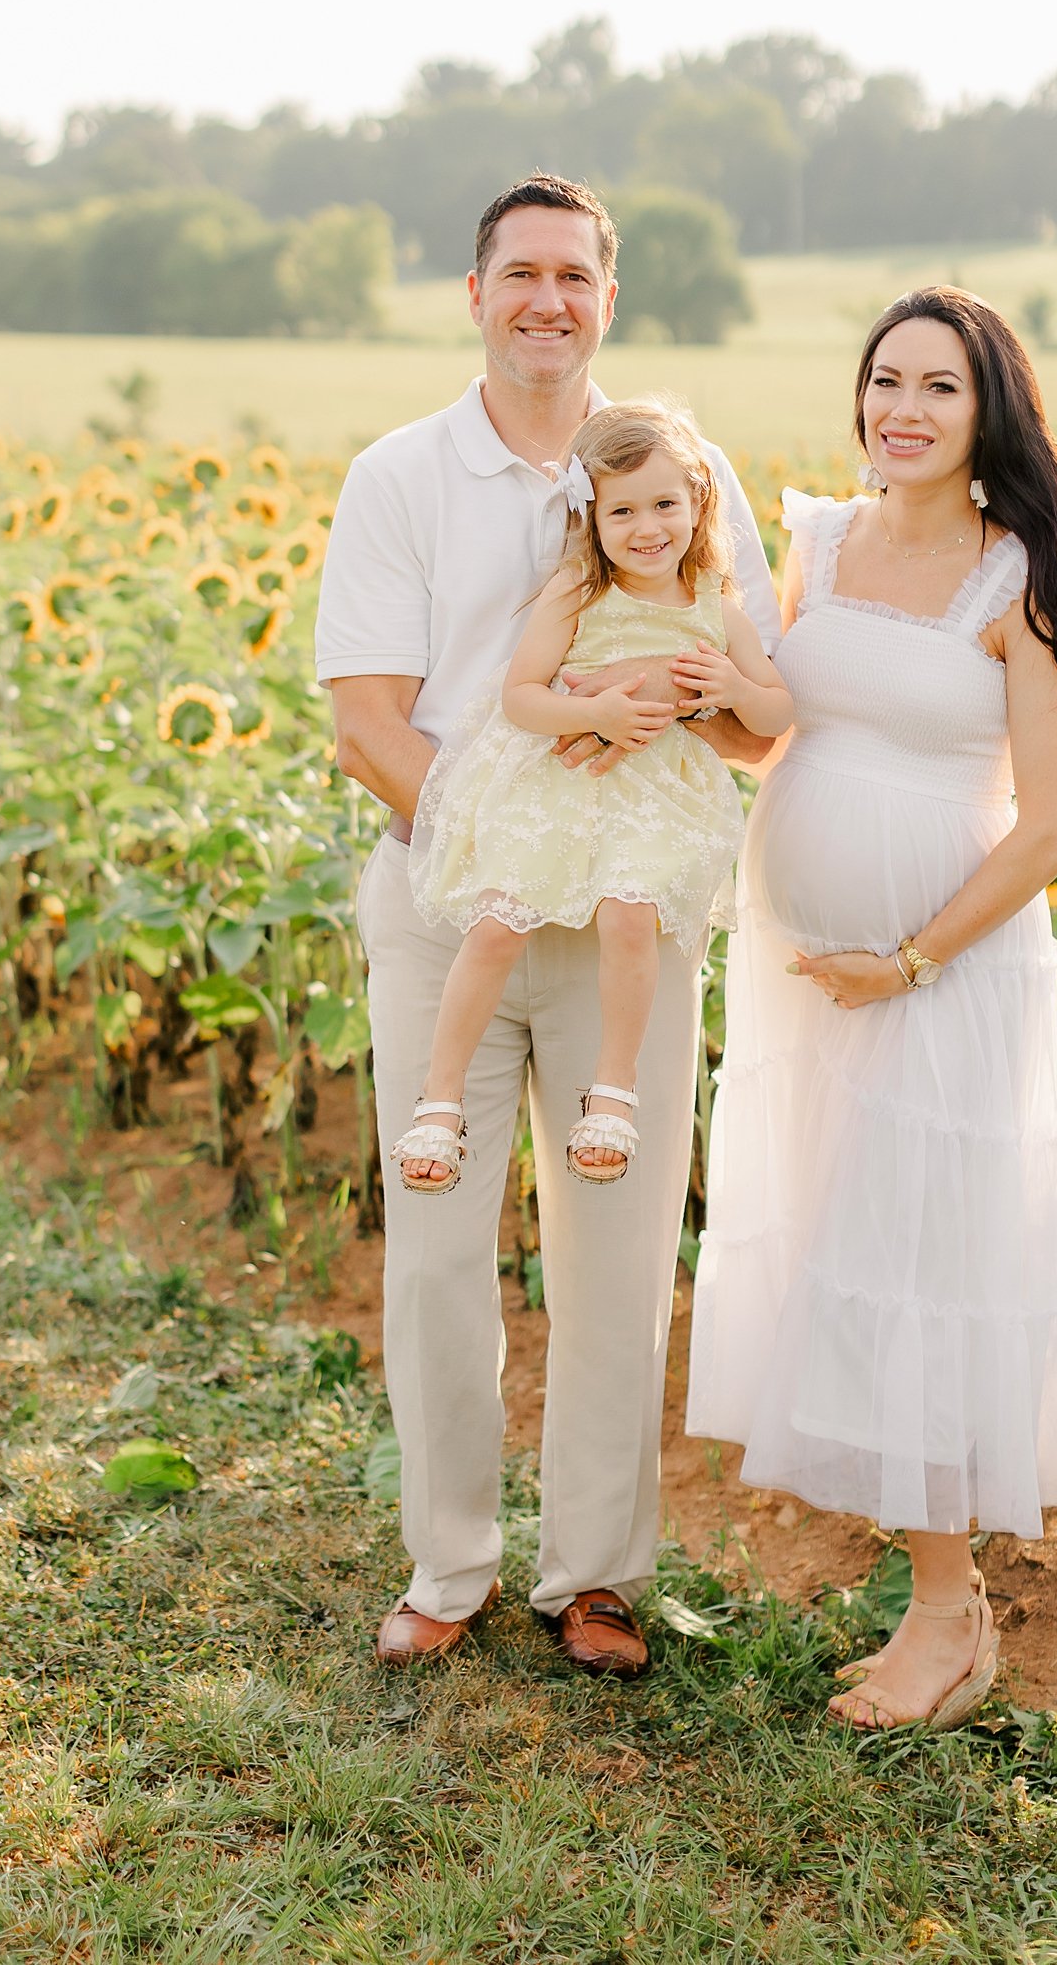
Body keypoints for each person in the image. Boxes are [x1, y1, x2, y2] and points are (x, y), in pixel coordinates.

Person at [316, 173, 780, 1676]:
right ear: (475, 293)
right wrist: (509, 831)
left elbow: (756, 717)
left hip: (629, 926)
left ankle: (595, 1574)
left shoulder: (686, 480)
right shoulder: (399, 476)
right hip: (455, 911)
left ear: (608, 300)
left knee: (620, 1248)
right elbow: (368, 722)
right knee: (440, 1250)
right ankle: (447, 1563)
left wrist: (682, 717)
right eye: (520, 273)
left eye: (575, 275)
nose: (547, 300)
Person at [684, 286, 1057, 1730]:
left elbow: (1049, 831)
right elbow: (781, 731)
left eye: (937, 384)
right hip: (813, 982)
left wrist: (912, 958)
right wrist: (701, 691)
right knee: (838, 1249)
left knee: (918, 1265)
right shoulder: (819, 540)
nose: (903, 409)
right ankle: (928, 1604)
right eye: (884, 380)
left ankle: (950, 1614)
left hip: (941, 981)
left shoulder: (1023, 582)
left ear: (989, 407)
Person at [395, 398, 791, 1197]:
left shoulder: (716, 604)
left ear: (699, 503)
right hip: (565, 783)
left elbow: (778, 713)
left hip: (653, 800)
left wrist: (732, 684)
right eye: (623, 511)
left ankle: (612, 1091)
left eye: (665, 505)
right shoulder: (579, 588)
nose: (648, 528)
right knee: (499, 923)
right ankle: (440, 1095)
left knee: (628, 914)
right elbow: (522, 697)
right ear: (591, 516)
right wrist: (596, 713)